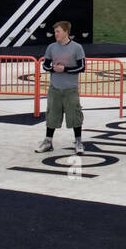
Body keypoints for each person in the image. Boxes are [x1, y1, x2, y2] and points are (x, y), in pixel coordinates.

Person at [36, 21, 86, 154]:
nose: (55, 34)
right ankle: (48, 141)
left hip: (71, 89)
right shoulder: (51, 47)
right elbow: (45, 65)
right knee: (51, 114)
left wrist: (65, 69)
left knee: (75, 115)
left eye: (58, 31)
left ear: (65, 32)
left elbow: (82, 67)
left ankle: (78, 141)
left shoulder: (77, 48)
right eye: (55, 32)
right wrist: (53, 68)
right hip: (55, 88)